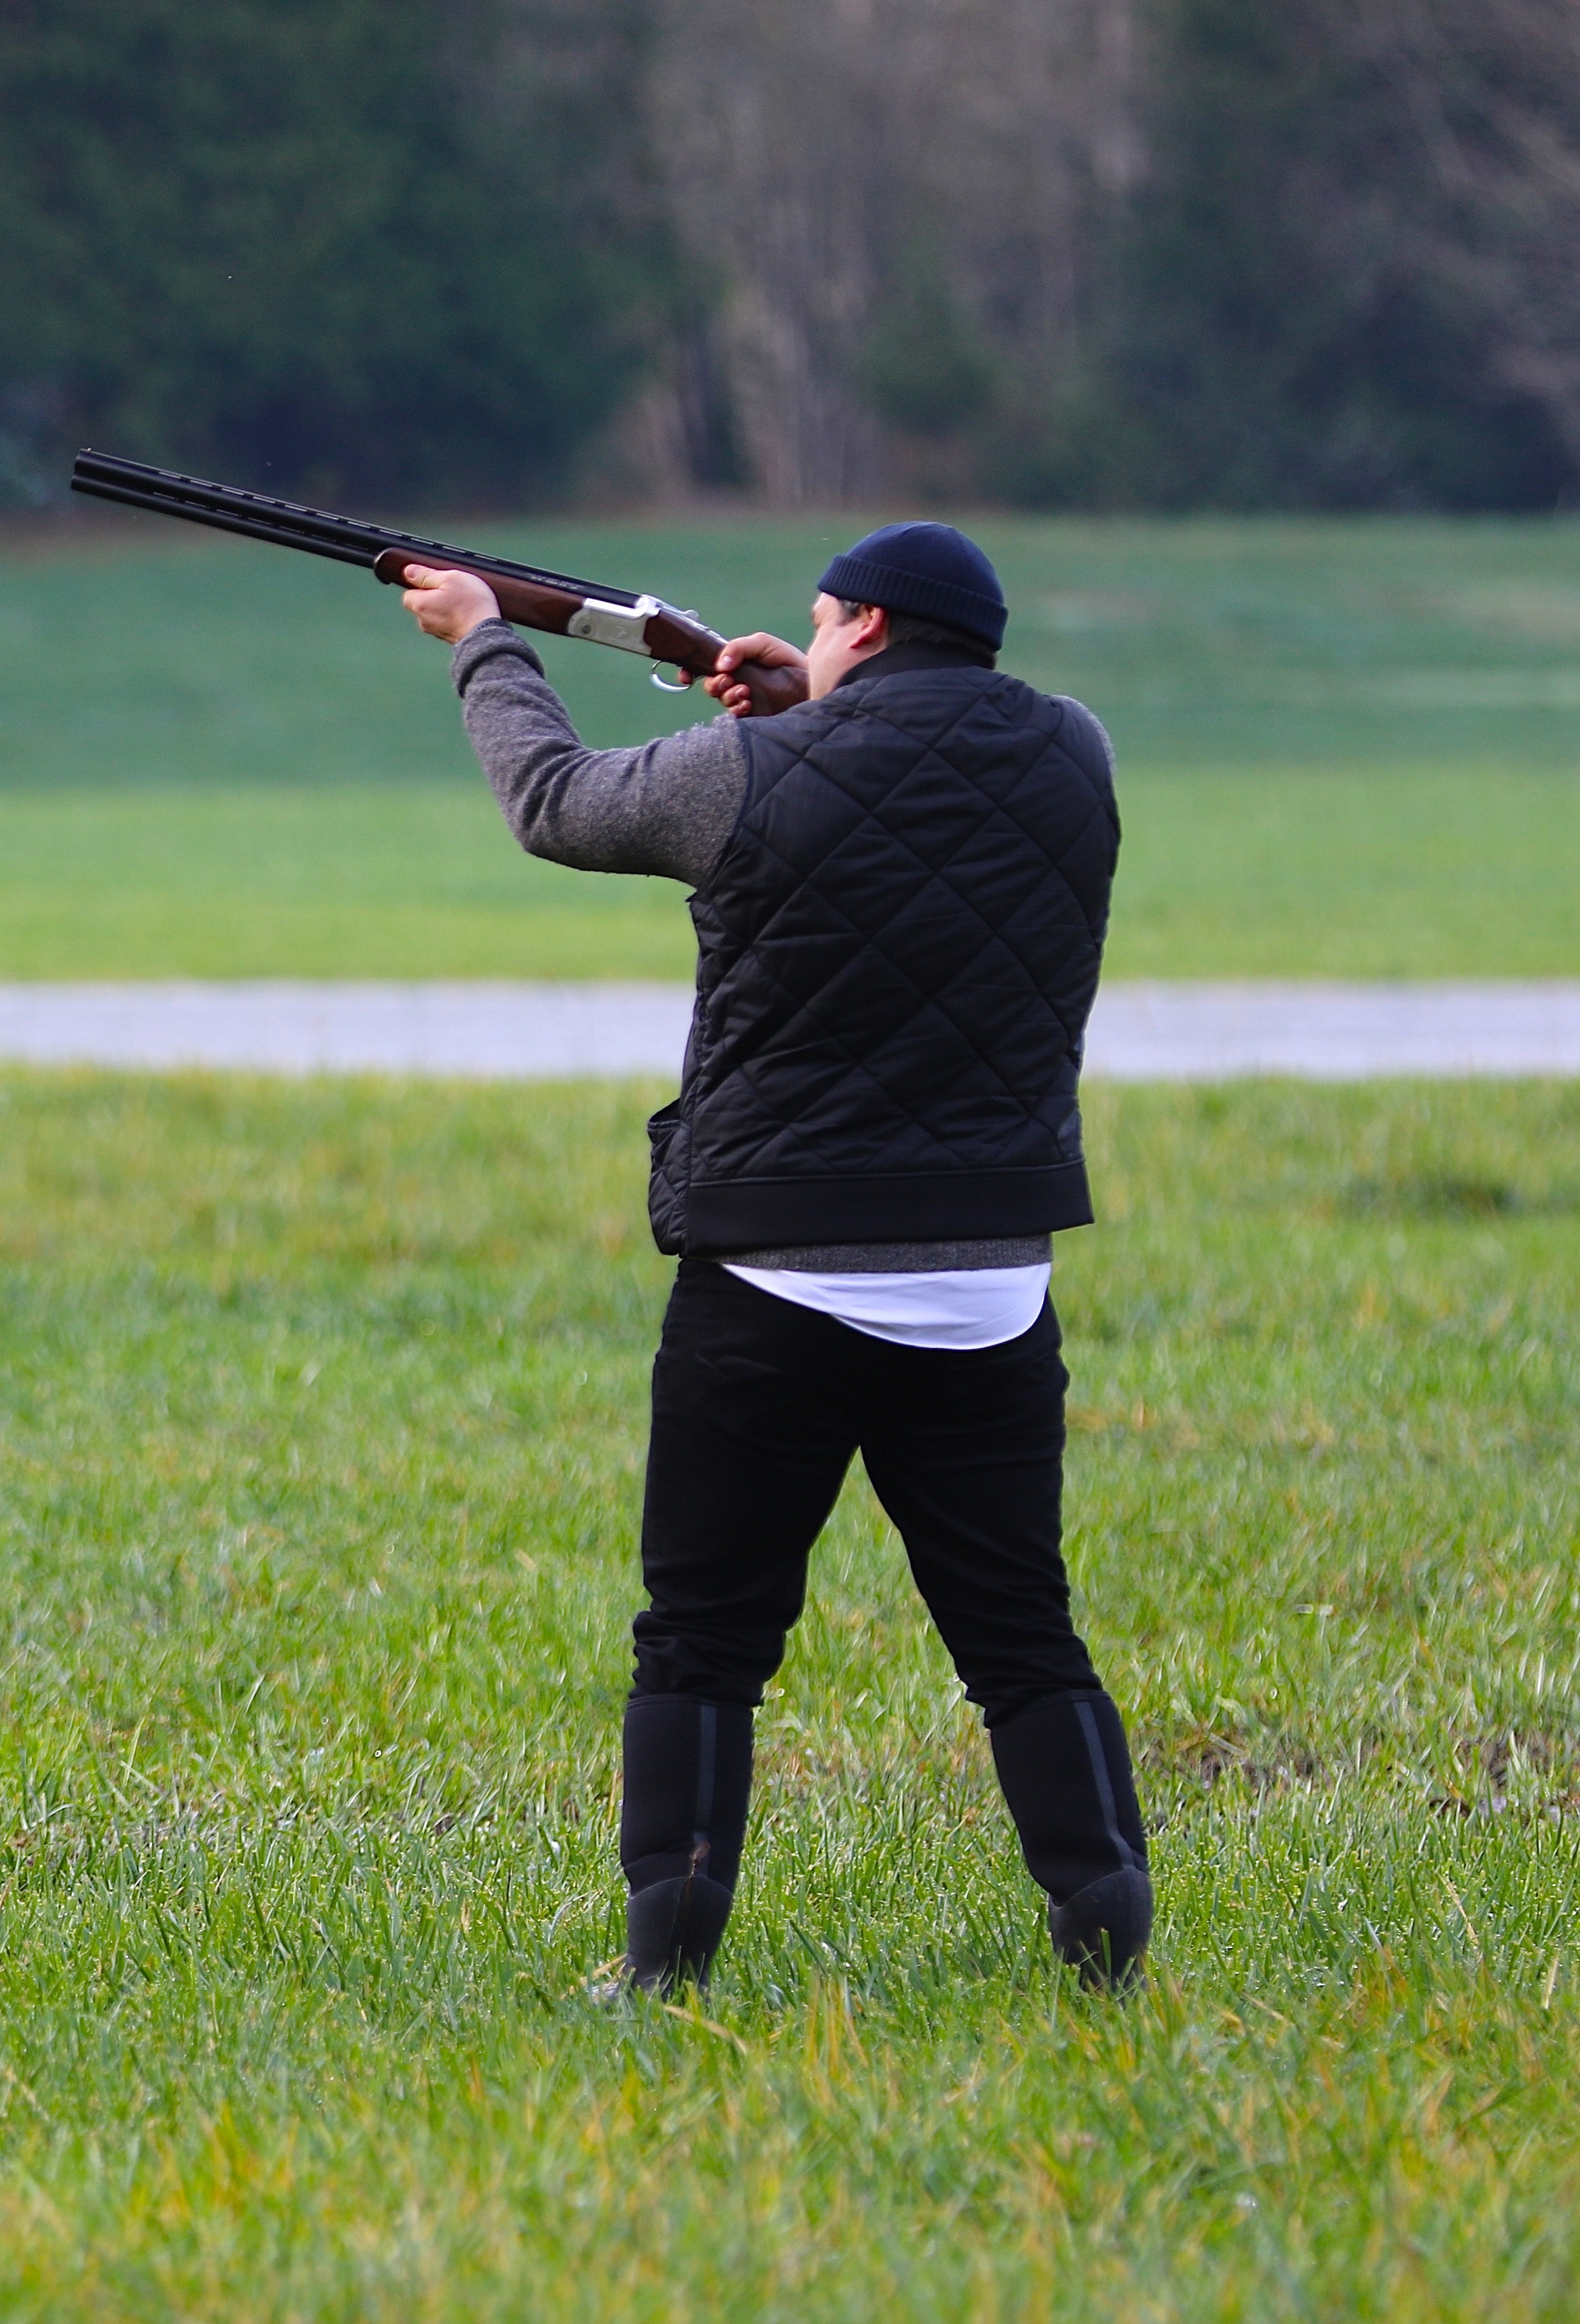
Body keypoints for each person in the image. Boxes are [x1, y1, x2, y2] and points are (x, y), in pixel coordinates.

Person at [397, 522, 1152, 1992]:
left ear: (862, 625)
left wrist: (486, 636)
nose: (804, 642)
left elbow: (554, 803)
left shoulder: (742, 773)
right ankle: (1107, 1950)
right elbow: (922, 800)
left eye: (818, 623)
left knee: (702, 1641)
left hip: (773, 1282)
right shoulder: (1081, 753)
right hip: (993, 1289)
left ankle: (662, 1972)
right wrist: (814, 708)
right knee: (1023, 1639)